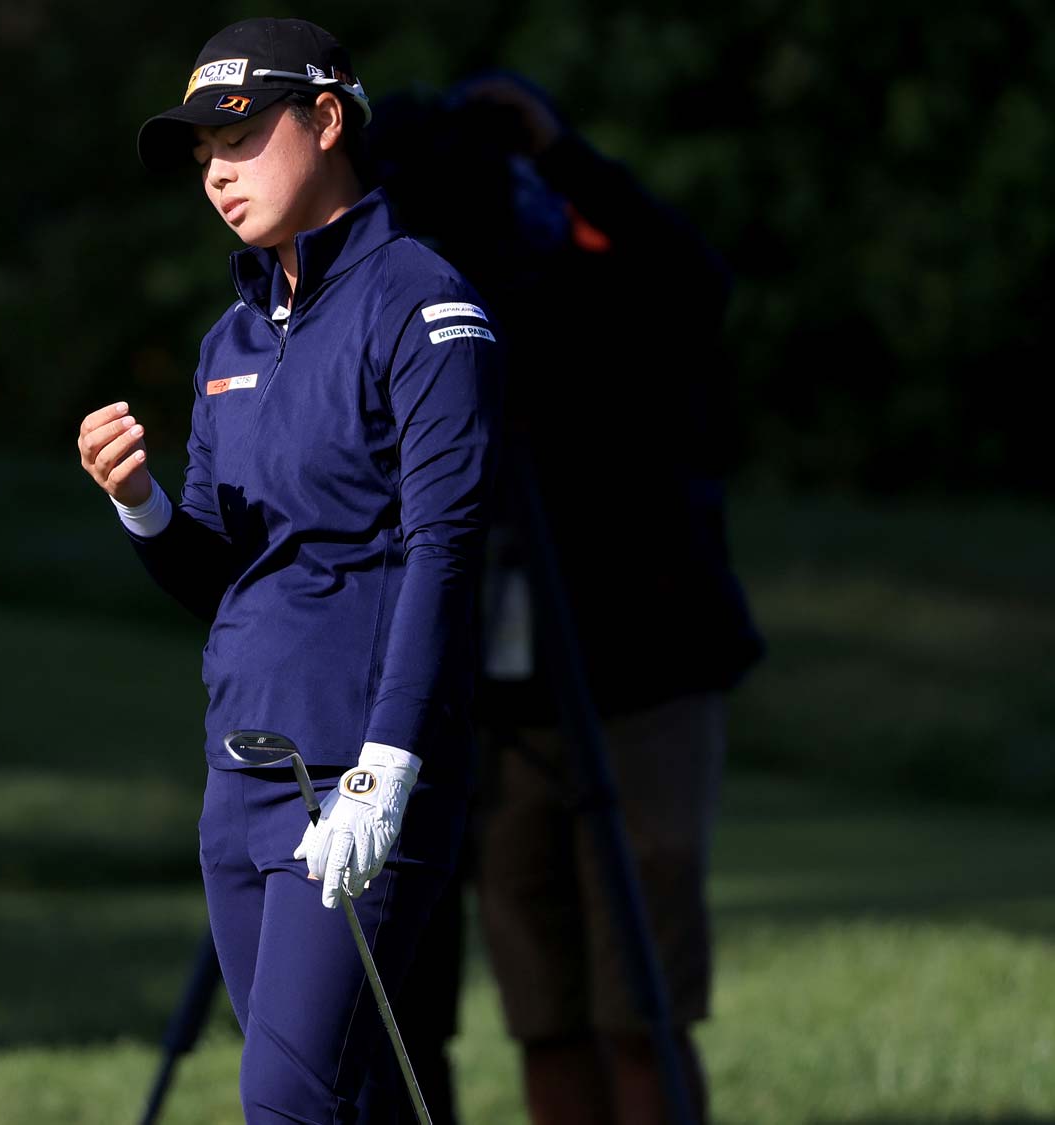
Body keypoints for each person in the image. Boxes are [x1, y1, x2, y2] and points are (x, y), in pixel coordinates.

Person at [77, 18, 503, 1122]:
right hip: (242, 771)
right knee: (334, 1099)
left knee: (287, 1100)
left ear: (324, 119)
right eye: (201, 151)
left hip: (353, 772)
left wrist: (387, 765)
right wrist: (140, 505)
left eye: (241, 133)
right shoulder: (231, 341)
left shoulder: (421, 301)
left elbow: (445, 549)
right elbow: (221, 572)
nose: (216, 169)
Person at [372, 72, 765, 1125]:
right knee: (542, 1011)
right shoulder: (431, 326)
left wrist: (556, 152)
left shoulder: (602, 292)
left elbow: (692, 281)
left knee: (636, 1006)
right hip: (505, 709)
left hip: (638, 678)